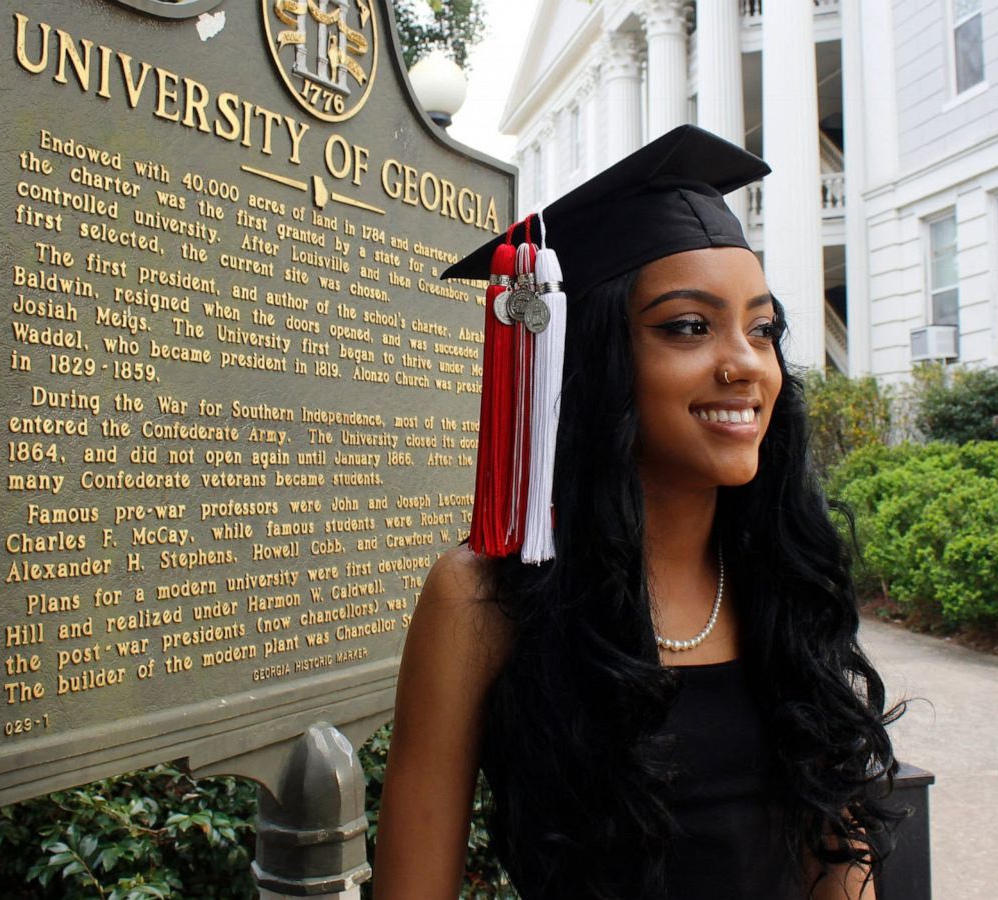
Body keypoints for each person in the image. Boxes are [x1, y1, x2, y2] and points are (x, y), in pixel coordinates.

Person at [374, 126, 902, 900]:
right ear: (595, 360)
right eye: (688, 326)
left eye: (763, 329)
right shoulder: (487, 598)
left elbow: (839, 855)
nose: (745, 363)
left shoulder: (783, 576)